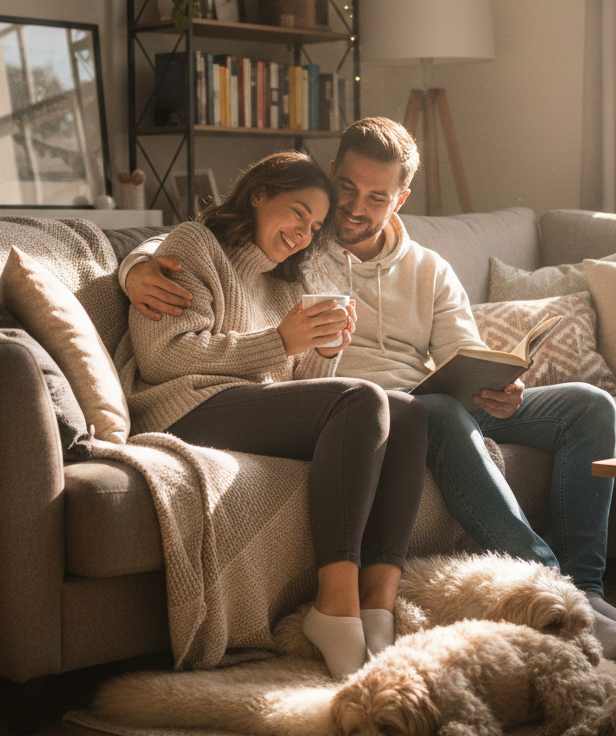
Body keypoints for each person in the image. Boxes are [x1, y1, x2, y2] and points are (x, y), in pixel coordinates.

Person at [120, 123, 616, 659]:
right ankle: (555, 592)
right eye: (347, 189)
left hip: (434, 399)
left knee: (589, 405)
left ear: (400, 199)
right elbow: (207, 238)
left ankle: (588, 589)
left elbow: (460, 353)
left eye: (376, 197)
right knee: (435, 411)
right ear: (332, 176)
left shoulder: (428, 268)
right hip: (374, 411)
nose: (353, 209)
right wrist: (134, 267)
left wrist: (497, 385)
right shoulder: (302, 243)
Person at [117, 150, 428, 679]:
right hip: (185, 406)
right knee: (364, 399)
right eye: (298, 212)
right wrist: (277, 340)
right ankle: (335, 607)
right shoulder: (195, 247)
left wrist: (324, 349)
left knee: (410, 414)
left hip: (245, 406)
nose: (305, 232)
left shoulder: (286, 281)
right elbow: (163, 355)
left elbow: (301, 388)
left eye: (314, 225)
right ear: (260, 194)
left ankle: (377, 604)